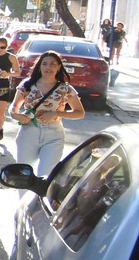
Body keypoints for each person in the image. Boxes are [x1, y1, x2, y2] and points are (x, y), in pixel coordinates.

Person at [9, 50, 85, 178]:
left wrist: (57, 113)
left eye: (53, 64)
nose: (48, 67)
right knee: (24, 173)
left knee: (46, 174)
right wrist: (15, 114)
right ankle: (24, 198)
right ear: (39, 66)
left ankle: (40, 198)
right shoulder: (27, 85)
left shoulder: (65, 89)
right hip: (29, 131)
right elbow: (14, 105)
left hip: (54, 134)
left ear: (59, 67)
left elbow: (80, 113)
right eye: (44, 64)